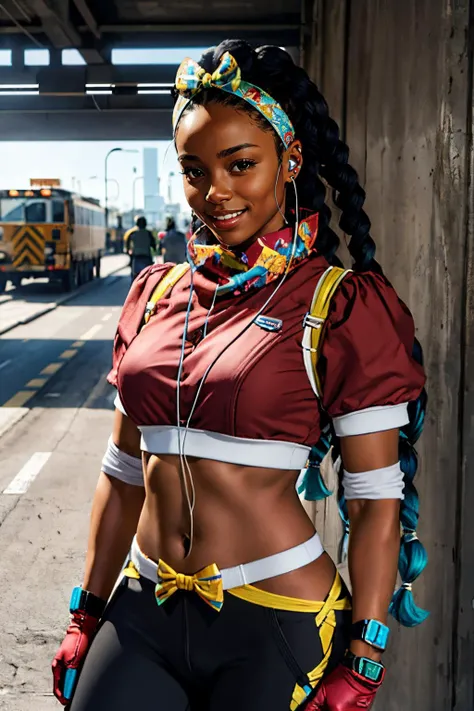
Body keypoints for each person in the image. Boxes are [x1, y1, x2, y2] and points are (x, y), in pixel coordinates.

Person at [52, 41, 428, 711]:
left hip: (279, 616)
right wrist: (85, 613)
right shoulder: (153, 293)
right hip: (144, 609)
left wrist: (365, 655)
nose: (214, 192)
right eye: (194, 170)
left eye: (240, 165)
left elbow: (373, 500)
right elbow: (123, 474)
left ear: (289, 160)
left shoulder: (338, 305)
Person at [124, 216, 156, 280]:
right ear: (145, 224)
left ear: (137, 224)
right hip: (147, 258)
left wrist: (128, 252)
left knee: (135, 278)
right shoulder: (148, 233)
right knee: (148, 277)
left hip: (136, 258)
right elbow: (153, 245)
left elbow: (127, 245)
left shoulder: (132, 233)